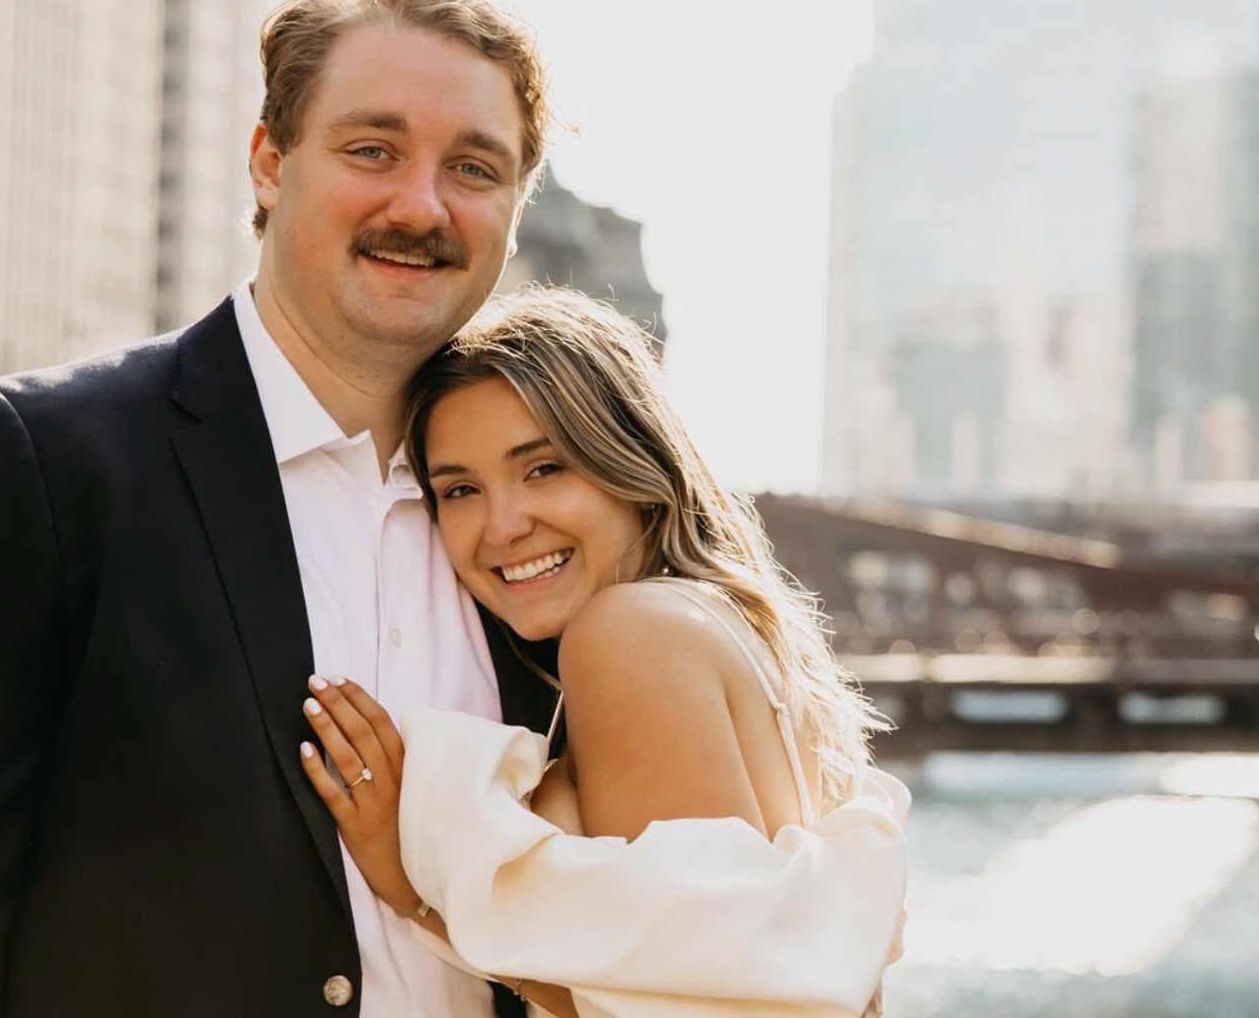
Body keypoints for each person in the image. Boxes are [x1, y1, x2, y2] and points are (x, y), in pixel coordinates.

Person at [0, 0, 564, 1016]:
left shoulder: (543, 523)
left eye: (474, 168)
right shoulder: (36, 467)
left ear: (515, 211)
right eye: (372, 149)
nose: (420, 204)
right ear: (267, 162)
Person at [292, 289, 908, 1017]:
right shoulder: (726, 626)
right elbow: (705, 979)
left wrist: (409, 884)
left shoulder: (628, 634)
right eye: (460, 489)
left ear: (632, 466)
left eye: (543, 469)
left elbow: (683, 1004)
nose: (502, 527)